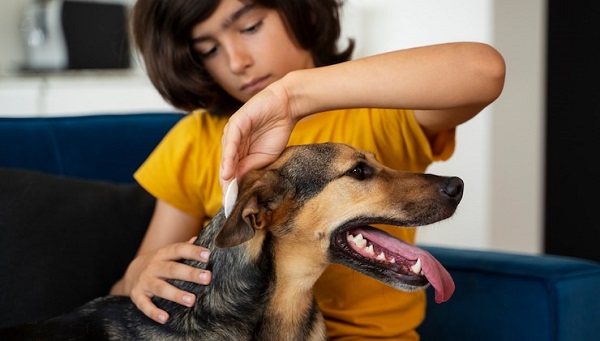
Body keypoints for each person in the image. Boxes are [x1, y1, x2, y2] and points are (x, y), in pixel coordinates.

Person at [110, 0, 505, 339]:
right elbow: (138, 285)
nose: (236, 61)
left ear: (304, 14)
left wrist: (292, 94)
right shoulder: (197, 139)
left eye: (250, 27)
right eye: (208, 49)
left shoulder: (375, 115)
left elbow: (484, 70)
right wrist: (139, 274)